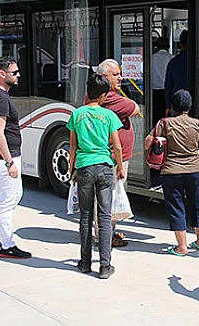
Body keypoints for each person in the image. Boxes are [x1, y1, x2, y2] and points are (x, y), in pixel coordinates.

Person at [67, 74, 125, 279]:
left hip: (84, 167)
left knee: (84, 216)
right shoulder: (109, 116)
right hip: (104, 167)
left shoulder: (77, 114)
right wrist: (119, 167)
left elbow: (73, 146)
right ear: (101, 96)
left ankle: (84, 262)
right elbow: (117, 145)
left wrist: (71, 168)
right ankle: (104, 265)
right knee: (104, 217)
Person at [144, 89, 199, 256]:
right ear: (189, 105)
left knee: (176, 207)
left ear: (173, 105)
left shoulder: (164, 123)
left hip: (171, 171)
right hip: (196, 171)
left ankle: (181, 246)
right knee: (198, 206)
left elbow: (146, 144)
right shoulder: (198, 124)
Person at [0, 56, 31, 259]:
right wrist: (9, 161)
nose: (18, 75)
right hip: (4, 158)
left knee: (14, 195)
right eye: (15, 72)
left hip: (2, 157)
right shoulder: (0, 98)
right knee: (8, 202)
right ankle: (7, 245)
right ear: (2, 74)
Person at [96, 59, 140, 247]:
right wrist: (121, 165)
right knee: (109, 198)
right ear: (104, 76)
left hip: (111, 156)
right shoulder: (109, 97)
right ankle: (104, 237)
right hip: (114, 158)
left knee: (106, 197)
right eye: (115, 74)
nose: (120, 77)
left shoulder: (100, 94)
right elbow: (134, 108)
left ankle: (105, 232)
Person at [164, 30, 189, 116]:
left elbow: (168, 85)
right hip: (195, 101)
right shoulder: (198, 61)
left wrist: (168, 106)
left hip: (176, 101)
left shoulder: (173, 62)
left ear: (180, 44)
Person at [152, 36, 173, 125]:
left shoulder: (151, 58)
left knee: (156, 117)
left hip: (154, 92)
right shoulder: (172, 58)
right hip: (167, 91)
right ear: (168, 46)